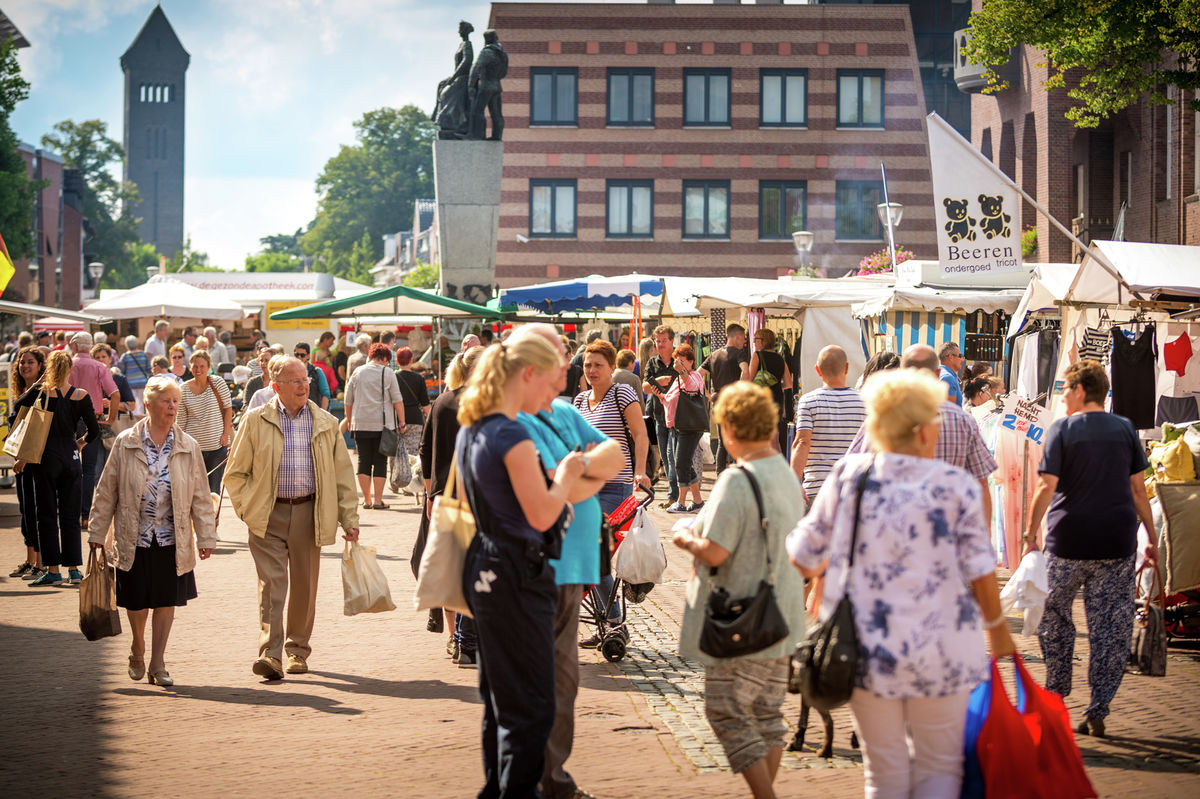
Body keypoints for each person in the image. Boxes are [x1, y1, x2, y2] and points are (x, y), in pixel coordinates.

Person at [788, 368, 1016, 799]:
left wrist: (822, 578)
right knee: (939, 768)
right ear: (924, 429)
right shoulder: (955, 486)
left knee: (884, 770)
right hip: (943, 649)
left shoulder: (849, 475)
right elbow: (980, 568)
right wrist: (998, 630)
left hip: (867, 650)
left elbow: (801, 553)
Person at [457, 335, 586, 798]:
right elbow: (542, 514)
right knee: (532, 708)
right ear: (528, 375)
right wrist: (565, 479)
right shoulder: (509, 431)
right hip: (514, 572)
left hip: (488, 566)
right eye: (551, 386)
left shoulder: (476, 424)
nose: (552, 397)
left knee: (502, 702)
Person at [671, 382, 807, 799]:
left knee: (726, 710)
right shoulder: (785, 473)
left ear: (728, 427)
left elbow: (714, 551)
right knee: (767, 714)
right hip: (783, 612)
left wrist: (683, 538)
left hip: (741, 616)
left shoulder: (737, 479)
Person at [509, 324, 622, 799]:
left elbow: (614, 453)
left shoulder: (560, 410)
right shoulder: (509, 421)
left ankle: (552, 779)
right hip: (536, 565)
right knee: (541, 682)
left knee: (564, 680)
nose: (570, 370)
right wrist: (574, 477)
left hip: (572, 565)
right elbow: (539, 494)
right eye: (562, 361)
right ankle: (537, 781)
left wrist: (578, 479)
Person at [1023, 359, 1157, 738]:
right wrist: (1152, 536)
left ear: (1081, 391)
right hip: (1116, 542)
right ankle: (1098, 708)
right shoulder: (1126, 429)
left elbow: (1046, 486)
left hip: (1068, 541)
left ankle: (1056, 690)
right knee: (1110, 627)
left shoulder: (1062, 429)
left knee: (1054, 613)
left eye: (1065, 389)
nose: (1063, 396)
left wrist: (1029, 534)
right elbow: (1138, 490)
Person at [225, 356, 360, 680]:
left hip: (308, 513)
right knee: (272, 585)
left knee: (304, 585)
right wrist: (247, 509)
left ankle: (297, 650)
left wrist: (349, 517)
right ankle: (270, 655)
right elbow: (235, 473)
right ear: (276, 386)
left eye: (305, 380)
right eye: (295, 381)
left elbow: (343, 475)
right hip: (267, 516)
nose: (303, 386)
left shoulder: (325, 422)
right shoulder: (256, 420)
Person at [87, 376, 218, 688]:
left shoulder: (189, 446)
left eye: (175, 401)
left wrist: (207, 535)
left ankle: (158, 662)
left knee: (165, 599)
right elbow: (107, 490)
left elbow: (201, 495)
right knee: (136, 601)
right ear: (148, 404)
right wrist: (96, 531)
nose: (172, 406)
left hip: (172, 537)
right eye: (166, 401)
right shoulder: (126, 442)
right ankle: (138, 646)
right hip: (133, 534)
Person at [847, 344, 997, 523]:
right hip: (947, 525)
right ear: (937, 374)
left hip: (892, 522)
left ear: (902, 372)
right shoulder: (963, 421)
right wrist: (985, 533)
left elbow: (852, 465)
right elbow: (981, 483)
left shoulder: (884, 414)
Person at [572, 337, 651, 631]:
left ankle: (614, 620)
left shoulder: (622, 393)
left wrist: (640, 473)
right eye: (587, 365)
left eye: (598, 365)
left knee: (595, 554)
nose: (591, 370)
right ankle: (607, 622)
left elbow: (641, 436)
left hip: (614, 487)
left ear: (610, 367)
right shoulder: (580, 400)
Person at [11, 350, 100, 586]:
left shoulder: (42, 393)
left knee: (47, 515)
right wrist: (79, 444)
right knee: (70, 516)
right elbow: (94, 431)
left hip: (45, 458)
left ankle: (52, 569)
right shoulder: (81, 395)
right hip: (70, 457)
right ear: (70, 369)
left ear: (49, 369)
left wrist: (40, 383)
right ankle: (73, 569)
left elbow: (19, 404)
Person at [419, 346, 484, 660]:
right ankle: (467, 642)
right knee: (475, 568)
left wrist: (431, 496)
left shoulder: (442, 401)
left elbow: (425, 451)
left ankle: (457, 639)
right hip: (476, 496)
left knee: (454, 568)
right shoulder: (483, 403)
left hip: (445, 495)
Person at [791, 345, 866, 505]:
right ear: (846, 368)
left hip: (818, 487)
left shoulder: (809, 401)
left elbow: (802, 442)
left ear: (818, 370)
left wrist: (794, 482)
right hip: (853, 486)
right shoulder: (865, 402)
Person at [340, 343, 405, 509]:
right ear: (384, 358)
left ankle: (367, 500)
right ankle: (378, 500)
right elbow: (397, 400)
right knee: (380, 461)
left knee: (363, 460)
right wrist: (402, 422)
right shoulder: (388, 373)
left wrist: (349, 420)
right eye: (386, 360)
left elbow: (348, 401)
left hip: (360, 423)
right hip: (382, 425)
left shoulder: (358, 372)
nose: (386, 363)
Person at [69, 332, 119, 530]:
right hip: (93, 419)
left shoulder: (67, 364)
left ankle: (71, 513)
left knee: (70, 468)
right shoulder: (99, 367)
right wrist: (111, 419)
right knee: (89, 470)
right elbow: (115, 394)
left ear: (74, 347)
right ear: (90, 347)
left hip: (69, 420)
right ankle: (84, 515)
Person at [8, 346, 46, 582]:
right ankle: (30, 560)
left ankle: (40, 564)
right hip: (19, 453)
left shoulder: (41, 391)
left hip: (33, 456)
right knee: (25, 510)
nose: (25, 366)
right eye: (22, 363)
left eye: (30, 362)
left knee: (34, 509)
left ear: (40, 366)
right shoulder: (21, 389)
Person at [178, 350, 234, 495]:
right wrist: (179, 442)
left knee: (213, 491)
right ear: (190, 367)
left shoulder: (217, 383)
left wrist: (225, 435)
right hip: (194, 450)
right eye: (195, 366)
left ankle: (212, 518)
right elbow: (181, 420)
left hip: (217, 447)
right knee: (195, 491)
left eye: (202, 366)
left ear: (209, 367)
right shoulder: (183, 389)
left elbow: (228, 409)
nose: (198, 370)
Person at [700, 322, 751, 472]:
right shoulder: (739, 353)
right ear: (737, 337)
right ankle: (740, 473)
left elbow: (697, 375)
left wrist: (708, 395)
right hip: (734, 403)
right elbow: (745, 371)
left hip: (718, 403)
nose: (744, 342)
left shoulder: (714, 355)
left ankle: (720, 475)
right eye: (743, 339)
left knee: (723, 442)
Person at [662, 343, 706, 513]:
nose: (678, 364)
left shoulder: (694, 376)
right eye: (676, 361)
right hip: (679, 426)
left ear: (691, 362)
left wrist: (681, 371)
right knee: (684, 463)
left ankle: (681, 502)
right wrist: (662, 396)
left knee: (681, 463)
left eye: (682, 361)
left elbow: (693, 387)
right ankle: (697, 501)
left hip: (690, 426)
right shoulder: (679, 378)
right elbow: (671, 399)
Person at [643, 325, 679, 507]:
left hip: (678, 416)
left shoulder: (679, 360)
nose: (660, 344)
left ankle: (674, 496)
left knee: (673, 456)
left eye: (664, 341)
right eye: (658, 341)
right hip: (659, 415)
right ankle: (675, 495)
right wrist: (657, 382)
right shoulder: (652, 363)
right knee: (665, 457)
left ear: (672, 341)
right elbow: (644, 387)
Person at [745, 328, 791, 453]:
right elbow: (788, 384)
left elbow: (748, 380)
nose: (754, 342)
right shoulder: (780, 358)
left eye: (756, 339)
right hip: (777, 400)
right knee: (774, 437)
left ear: (763, 341)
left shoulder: (757, 355)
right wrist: (774, 384)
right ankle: (779, 465)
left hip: (760, 401)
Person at [391, 346, 431, 488]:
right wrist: (431, 419)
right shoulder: (418, 378)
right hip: (415, 418)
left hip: (395, 418)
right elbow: (425, 403)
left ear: (397, 360)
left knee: (395, 451)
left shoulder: (392, 376)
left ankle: (395, 481)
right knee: (412, 454)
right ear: (411, 360)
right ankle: (409, 485)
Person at [118, 335, 152, 414]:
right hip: (143, 383)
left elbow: (121, 371)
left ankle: (133, 421)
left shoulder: (125, 356)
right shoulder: (143, 354)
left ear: (126, 345)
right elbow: (149, 369)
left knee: (133, 405)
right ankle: (140, 420)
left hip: (130, 384)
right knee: (142, 404)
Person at [293, 341, 330, 411]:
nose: (299, 357)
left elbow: (326, 394)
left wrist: (321, 414)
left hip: (313, 412)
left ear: (308, 356)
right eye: (296, 355)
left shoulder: (317, 372)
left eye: (302, 355)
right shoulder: (289, 372)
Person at [938, 341, 965, 406]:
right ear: (951, 357)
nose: (962, 360)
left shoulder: (939, 373)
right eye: (960, 356)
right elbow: (949, 413)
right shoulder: (948, 378)